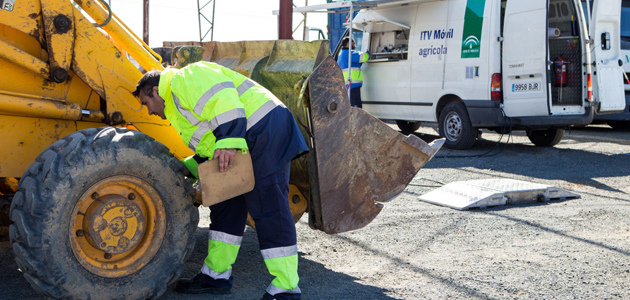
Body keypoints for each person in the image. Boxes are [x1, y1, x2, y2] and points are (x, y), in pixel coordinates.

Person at [133, 61, 309, 300]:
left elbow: (223, 98)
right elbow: (208, 141)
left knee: (269, 208)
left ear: (154, 90)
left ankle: (286, 288)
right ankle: (215, 276)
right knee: (225, 207)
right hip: (241, 137)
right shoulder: (177, 106)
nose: (149, 111)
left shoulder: (184, 78)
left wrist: (228, 142)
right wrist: (187, 167)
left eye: (146, 103)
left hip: (263, 129)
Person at [336, 37, 369, 108]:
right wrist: (368, 53)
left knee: (352, 106)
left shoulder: (341, 55)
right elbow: (363, 57)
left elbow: (355, 64)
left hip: (348, 85)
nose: (355, 45)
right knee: (356, 107)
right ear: (348, 44)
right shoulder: (349, 54)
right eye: (353, 43)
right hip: (353, 85)